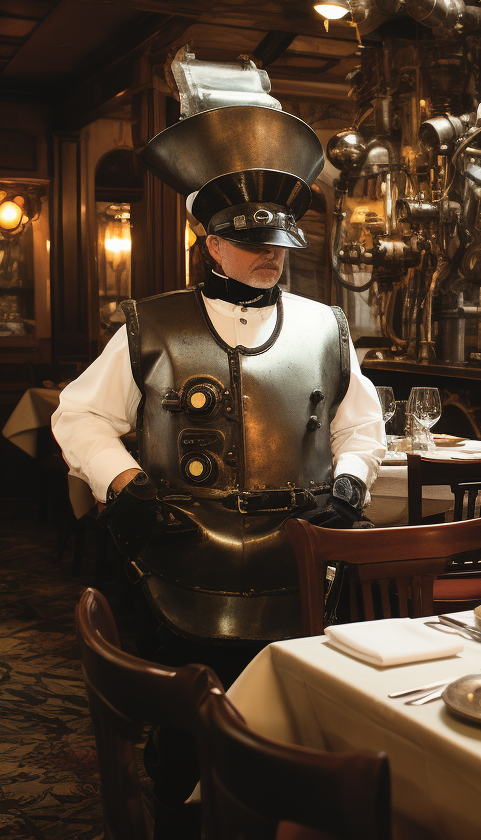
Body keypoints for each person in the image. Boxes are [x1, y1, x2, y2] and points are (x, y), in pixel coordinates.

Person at [52, 52, 386, 836]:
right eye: (247, 239)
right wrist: (124, 485)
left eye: (278, 241)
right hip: (184, 560)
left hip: (299, 562)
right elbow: (78, 417)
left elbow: (358, 423)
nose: (269, 254)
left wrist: (351, 481)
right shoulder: (152, 323)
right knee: (183, 736)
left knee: (292, 731)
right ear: (207, 239)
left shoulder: (325, 326)